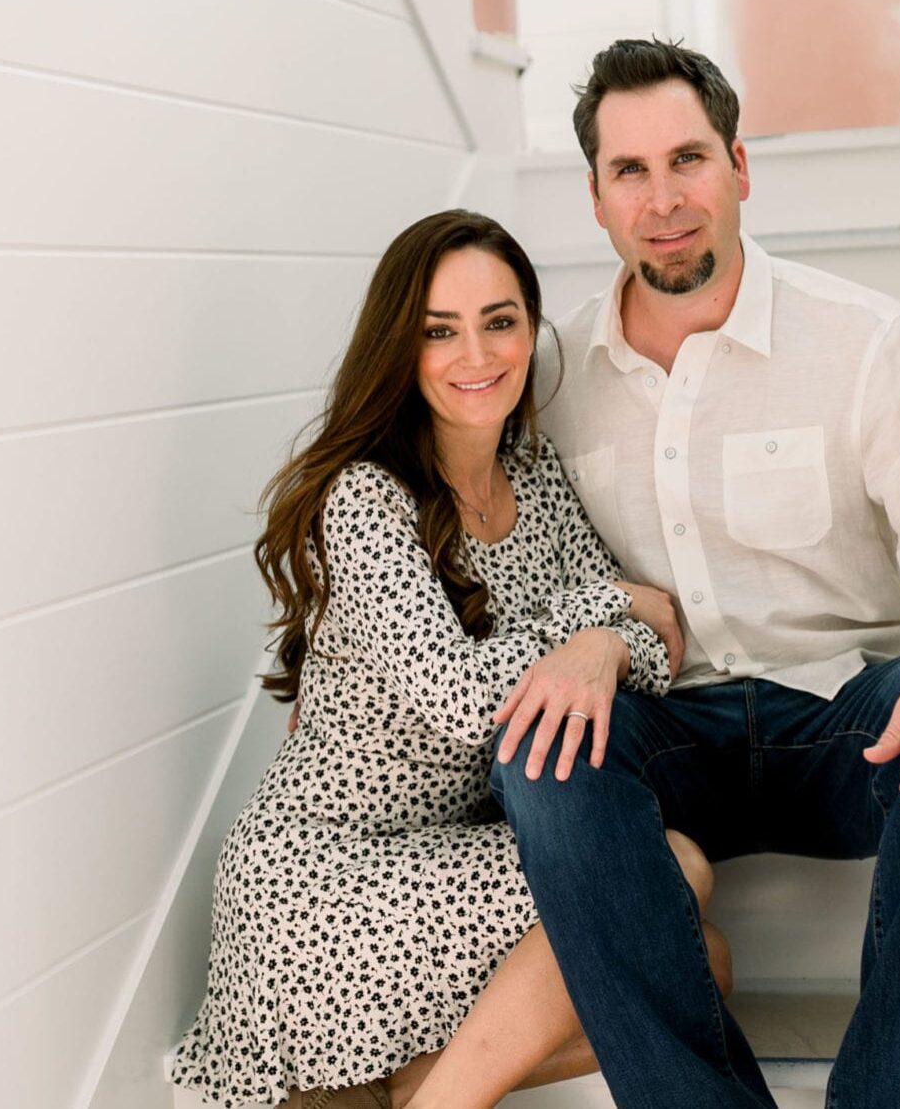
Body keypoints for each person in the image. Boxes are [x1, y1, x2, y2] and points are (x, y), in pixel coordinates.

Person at [490, 40, 900, 1107]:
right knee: (539, 755)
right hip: (666, 723)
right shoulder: (548, 379)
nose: (663, 199)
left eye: (687, 159)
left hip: (843, 716)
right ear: (595, 197)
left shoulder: (866, 344)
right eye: (629, 172)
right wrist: (595, 638)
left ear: (739, 166)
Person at [170, 209, 733, 1109]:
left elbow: (655, 650)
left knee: (702, 960)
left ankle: (380, 1098)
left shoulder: (535, 474)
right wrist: (600, 612)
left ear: (528, 330)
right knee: (675, 880)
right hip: (318, 881)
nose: (477, 353)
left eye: (499, 321)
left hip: (441, 854)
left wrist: (604, 638)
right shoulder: (364, 498)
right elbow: (465, 700)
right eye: (440, 331)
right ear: (403, 347)